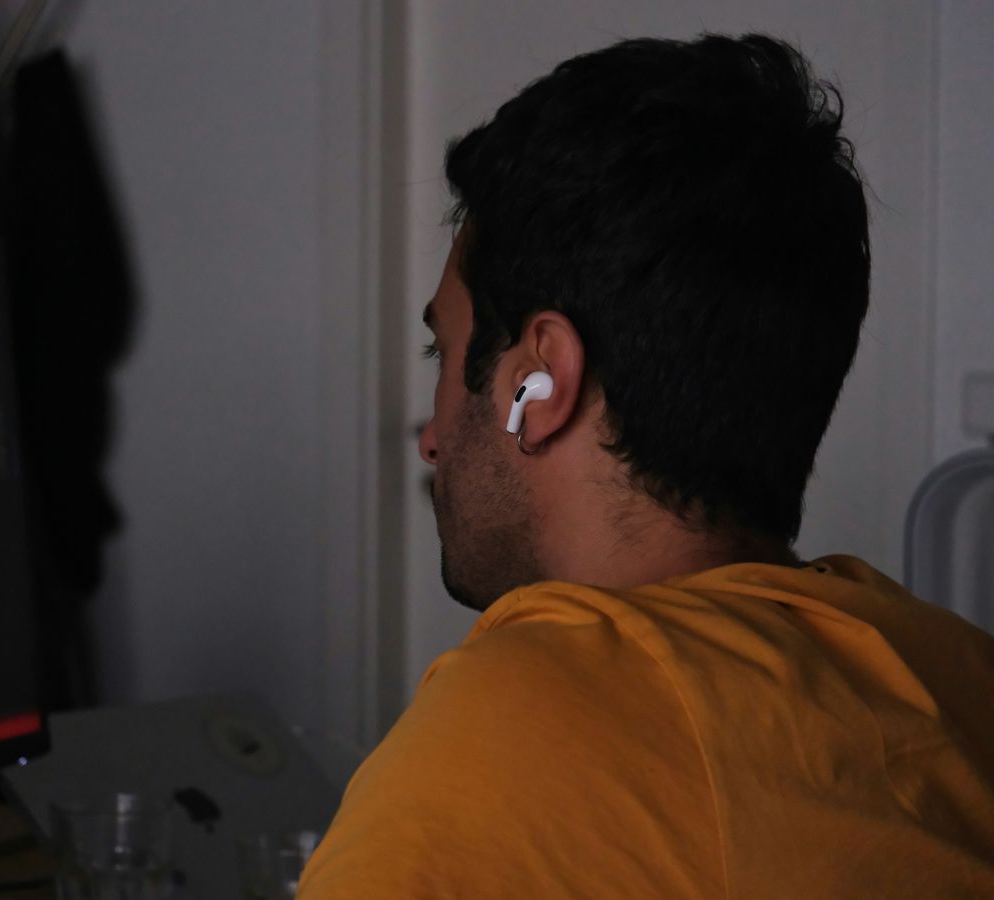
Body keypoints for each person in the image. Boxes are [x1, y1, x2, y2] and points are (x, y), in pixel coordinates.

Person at [296, 33, 994, 898]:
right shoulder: (955, 672)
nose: (432, 438)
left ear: (539, 380)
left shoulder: (509, 744)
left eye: (443, 352)